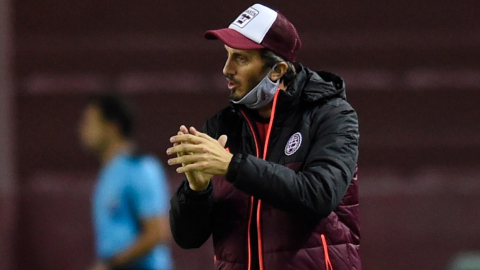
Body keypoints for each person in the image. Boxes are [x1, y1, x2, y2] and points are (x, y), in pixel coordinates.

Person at [167, 3, 360, 270]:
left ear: (278, 71)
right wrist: (196, 191)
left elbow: (320, 194)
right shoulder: (221, 126)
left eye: (241, 59)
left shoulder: (331, 115)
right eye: (227, 55)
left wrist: (232, 166)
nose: (227, 69)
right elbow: (188, 238)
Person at [78, 94, 172, 270]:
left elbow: (158, 232)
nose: (83, 131)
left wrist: (110, 264)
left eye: (90, 124)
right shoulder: (108, 173)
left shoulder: (140, 168)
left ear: (112, 127)